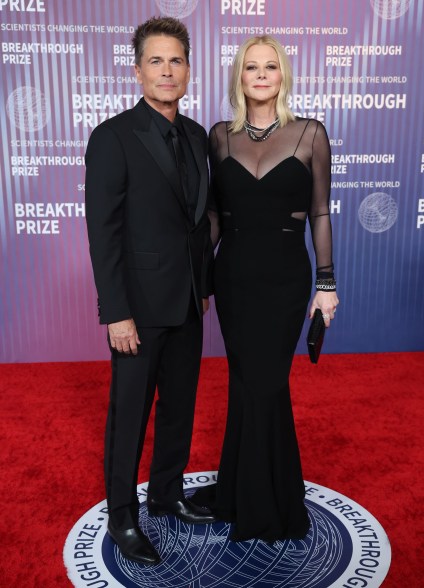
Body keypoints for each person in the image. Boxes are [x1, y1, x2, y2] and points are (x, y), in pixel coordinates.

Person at [195, 35, 339, 542]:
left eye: (270, 67)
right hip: (232, 275)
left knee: (267, 381)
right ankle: (241, 490)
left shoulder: (311, 135)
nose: (261, 75)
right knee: (244, 382)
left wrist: (326, 284)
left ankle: (262, 499)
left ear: (283, 75)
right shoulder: (218, 137)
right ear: (239, 76)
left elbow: (319, 213)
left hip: (284, 278)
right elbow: (214, 215)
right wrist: (197, 275)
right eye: (251, 67)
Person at [85, 16, 215, 566]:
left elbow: (199, 219)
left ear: (189, 69)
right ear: (137, 70)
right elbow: (103, 232)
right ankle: (122, 515)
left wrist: (203, 286)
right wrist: (116, 313)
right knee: (130, 412)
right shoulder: (113, 136)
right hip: (136, 308)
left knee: (179, 407)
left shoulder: (195, 135)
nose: (167, 71)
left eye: (176, 60)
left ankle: (166, 494)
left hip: (189, 301)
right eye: (156, 61)